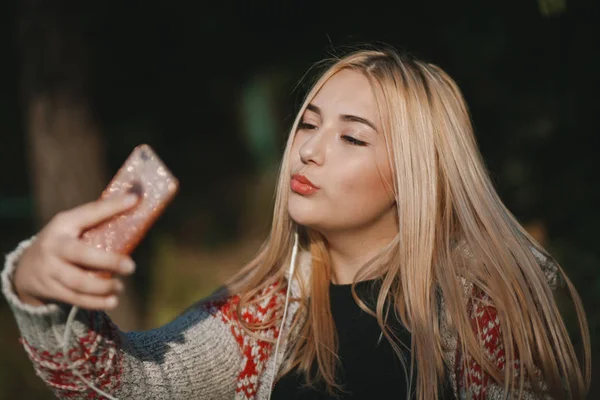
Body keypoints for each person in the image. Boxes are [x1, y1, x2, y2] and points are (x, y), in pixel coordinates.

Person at [1, 47, 590, 400]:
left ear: (416, 173)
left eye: (352, 136)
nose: (308, 150)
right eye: (308, 124)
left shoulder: (492, 300)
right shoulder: (262, 311)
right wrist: (37, 288)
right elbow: (130, 386)